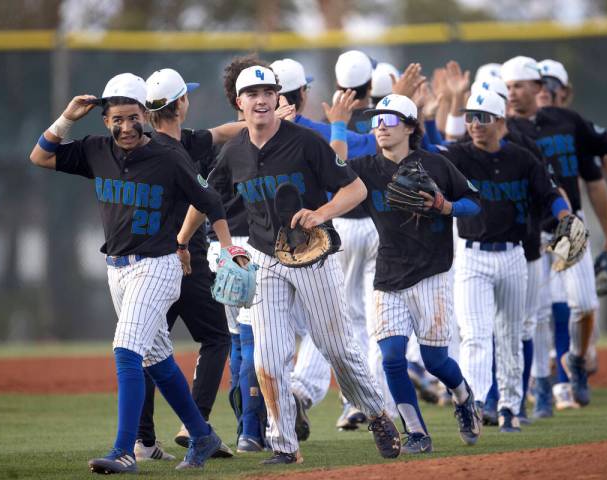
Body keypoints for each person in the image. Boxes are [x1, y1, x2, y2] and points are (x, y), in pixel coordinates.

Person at [28, 73, 246, 474]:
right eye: (116, 119)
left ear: (145, 114)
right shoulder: (96, 150)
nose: (125, 127)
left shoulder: (168, 155)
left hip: (158, 267)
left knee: (126, 352)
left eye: (132, 117)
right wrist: (67, 117)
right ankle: (202, 435)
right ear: (105, 121)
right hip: (118, 270)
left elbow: (210, 199)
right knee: (157, 360)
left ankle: (124, 450)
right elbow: (40, 156)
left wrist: (229, 248)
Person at [210, 58, 400, 464]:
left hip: (313, 255)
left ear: (277, 97)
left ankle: (377, 414)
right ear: (239, 103)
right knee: (267, 357)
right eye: (252, 94)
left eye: (267, 92)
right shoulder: (234, 152)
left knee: (337, 348)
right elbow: (209, 199)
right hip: (265, 257)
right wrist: (193, 242)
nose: (261, 100)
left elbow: (357, 190)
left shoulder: (305, 142)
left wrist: (321, 213)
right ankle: (284, 445)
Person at [349, 93, 482, 453]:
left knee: (435, 360)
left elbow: (474, 203)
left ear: (409, 126)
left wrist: (445, 205)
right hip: (388, 275)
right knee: (392, 357)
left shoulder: (436, 165)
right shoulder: (363, 168)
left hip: (432, 273)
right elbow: (328, 172)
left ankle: (463, 396)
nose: (379, 127)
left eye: (389, 120)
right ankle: (417, 433)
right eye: (375, 121)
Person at [502, 55, 607, 409]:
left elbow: (605, 142)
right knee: (539, 314)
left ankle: (574, 358)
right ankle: (543, 385)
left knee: (586, 305)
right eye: (508, 87)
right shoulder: (507, 129)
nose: (512, 93)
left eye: (519, 86)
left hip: (568, 223)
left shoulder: (566, 120)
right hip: (530, 228)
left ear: (539, 89)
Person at [445, 88, 572, 433]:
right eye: (470, 117)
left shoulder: (523, 159)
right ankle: (474, 404)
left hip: (515, 255)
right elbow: (429, 161)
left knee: (511, 335)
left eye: (482, 117)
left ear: (500, 121)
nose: (474, 124)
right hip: (472, 256)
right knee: (474, 334)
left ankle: (510, 407)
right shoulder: (457, 156)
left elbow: (549, 195)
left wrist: (564, 216)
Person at [126, 68, 234, 461]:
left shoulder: (138, 148)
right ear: (181, 104)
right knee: (217, 336)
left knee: (143, 346)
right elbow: (208, 199)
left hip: (142, 262)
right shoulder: (182, 150)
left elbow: (221, 132)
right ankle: (195, 425)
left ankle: (143, 440)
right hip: (182, 258)